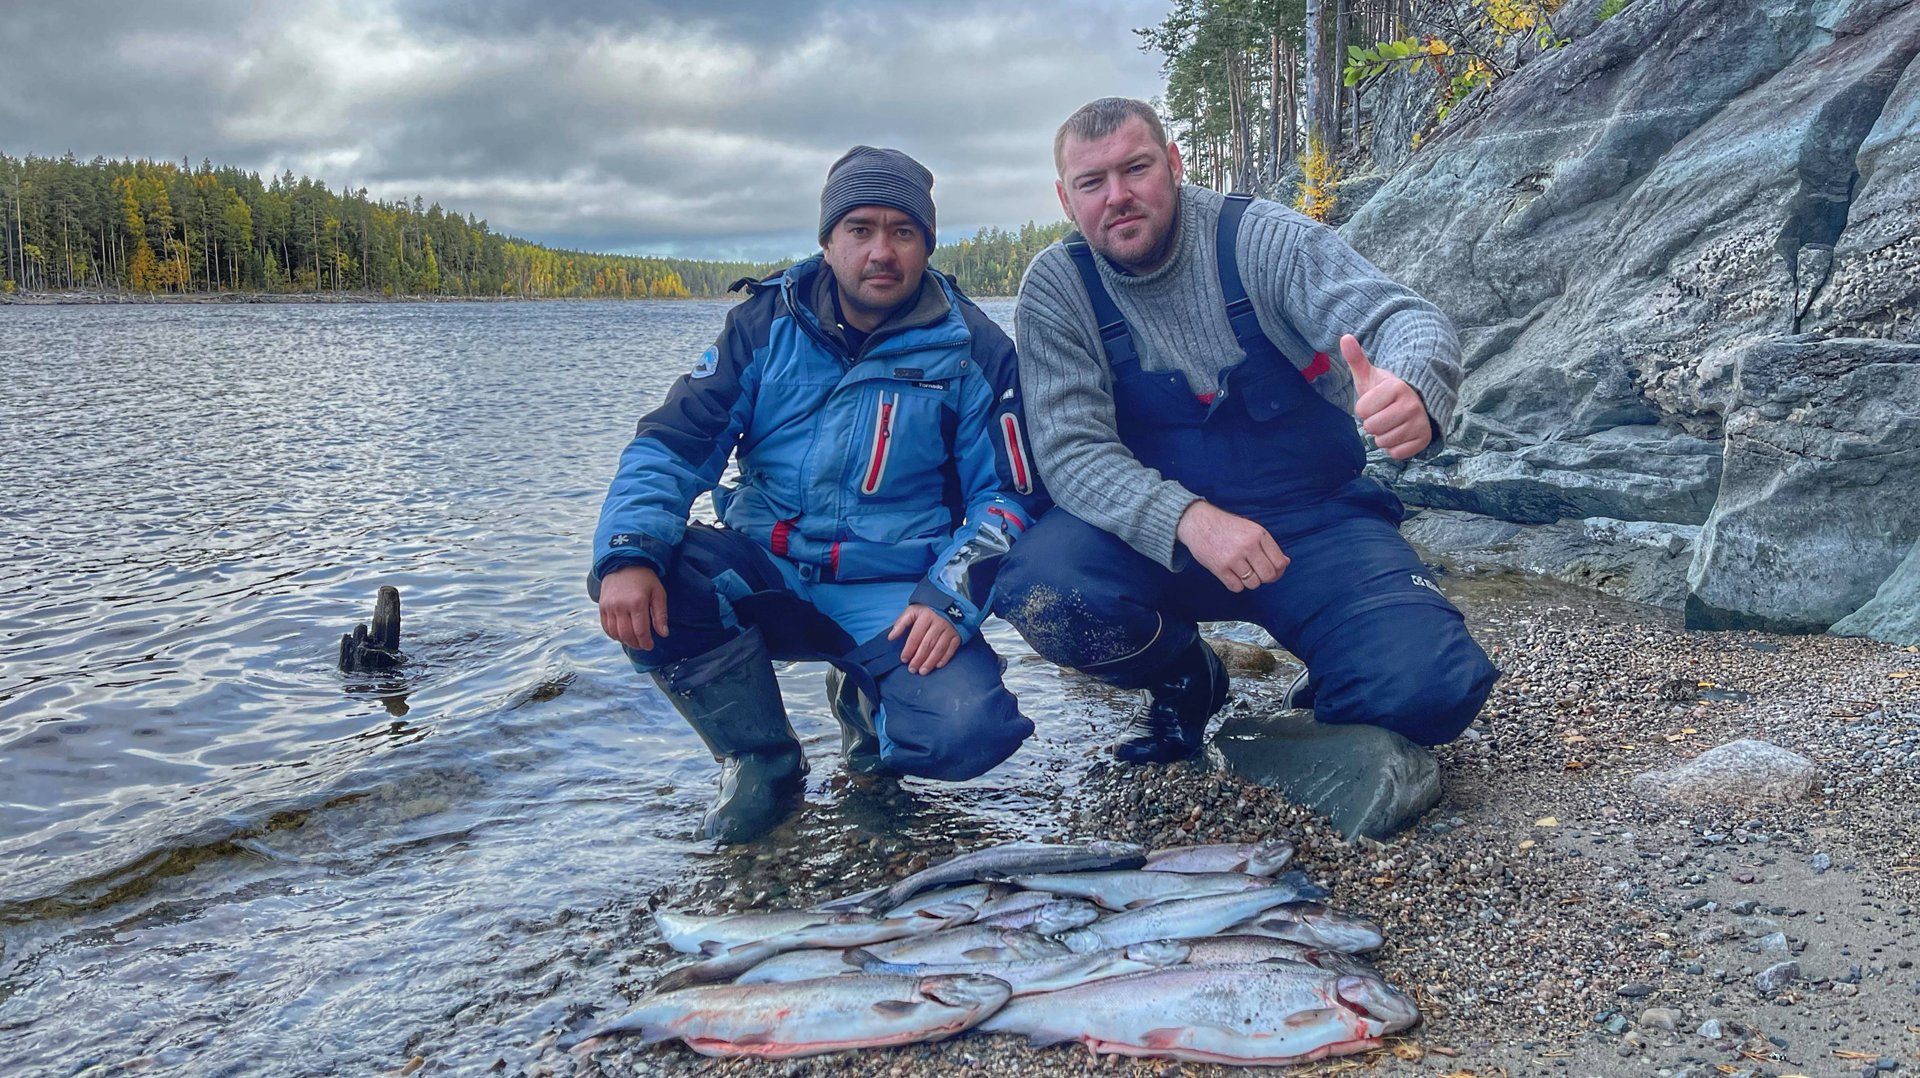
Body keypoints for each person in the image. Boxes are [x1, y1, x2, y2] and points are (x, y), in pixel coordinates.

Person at [995, 97, 1497, 766]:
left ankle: (1332, 675)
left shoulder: (1264, 239)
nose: (1117, 196)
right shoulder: (1059, 288)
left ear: (1174, 164)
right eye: (1092, 182)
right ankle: (1185, 678)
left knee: (1430, 689)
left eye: (1136, 168)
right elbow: (1071, 452)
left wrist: (1411, 384)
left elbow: (1403, 318)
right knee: (1041, 589)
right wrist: (1189, 519)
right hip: (1160, 544)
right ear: (1066, 199)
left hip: (1315, 525)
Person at [590, 146, 1043, 844]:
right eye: (860, 229)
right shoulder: (763, 325)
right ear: (828, 242)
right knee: (650, 579)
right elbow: (672, 445)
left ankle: (868, 730)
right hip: (767, 570)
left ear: (928, 244)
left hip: (894, 589)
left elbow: (1009, 496)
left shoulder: (973, 348)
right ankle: (761, 763)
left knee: (968, 731)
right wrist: (627, 552)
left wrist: (950, 598)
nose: (881, 251)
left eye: (903, 231)